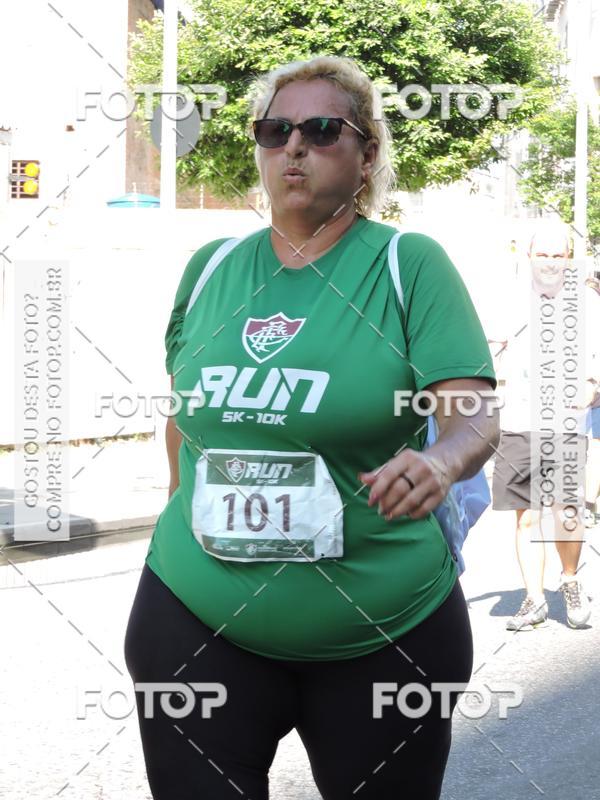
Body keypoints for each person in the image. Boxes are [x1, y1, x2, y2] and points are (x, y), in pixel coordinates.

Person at [124, 55, 499, 800]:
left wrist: (444, 461)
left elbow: (474, 411)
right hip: (196, 619)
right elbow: (186, 415)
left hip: (384, 636)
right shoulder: (210, 267)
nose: (293, 146)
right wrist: (177, 505)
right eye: (275, 130)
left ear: (366, 157)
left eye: (323, 130)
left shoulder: (407, 265)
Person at [491, 223, 593, 631]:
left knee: (566, 512)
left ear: (569, 259)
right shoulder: (508, 302)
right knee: (526, 517)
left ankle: (569, 580)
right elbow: (486, 349)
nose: (549, 261)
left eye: (557, 255)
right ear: (528, 255)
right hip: (518, 422)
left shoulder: (587, 303)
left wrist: (591, 387)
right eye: (543, 254)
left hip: (565, 425)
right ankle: (534, 599)